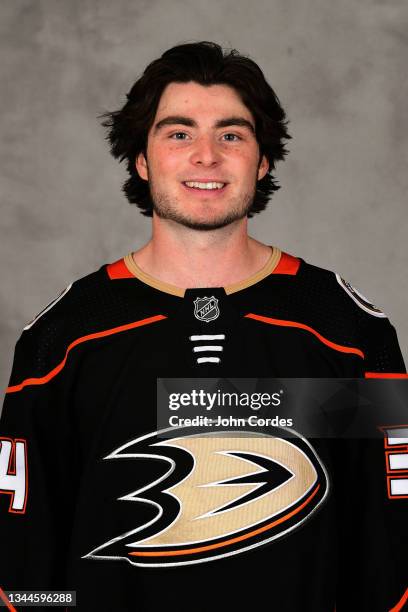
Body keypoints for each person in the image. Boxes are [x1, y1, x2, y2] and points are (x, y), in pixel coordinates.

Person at [0, 41, 407, 612]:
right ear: (141, 159)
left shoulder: (346, 329)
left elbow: (390, 551)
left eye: (232, 134)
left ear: (263, 160)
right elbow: (22, 567)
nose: (207, 156)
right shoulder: (64, 339)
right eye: (179, 133)